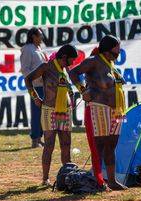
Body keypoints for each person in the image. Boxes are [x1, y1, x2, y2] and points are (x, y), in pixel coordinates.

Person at [69, 35, 127, 191]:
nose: (119, 50)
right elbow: (73, 72)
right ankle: (98, 180)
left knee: (111, 145)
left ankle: (112, 181)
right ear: (109, 48)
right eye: (117, 47)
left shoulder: (111, 65)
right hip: (99, 108)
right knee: (100, 145)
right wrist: (82, 90)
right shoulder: (94, 61)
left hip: (117, 111)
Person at [24, 44, 77, 186]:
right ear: (63, 57)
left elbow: (68, 87)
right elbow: (28, 79)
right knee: (49, 145)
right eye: (71, 60)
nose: (72, 63)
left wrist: (72, 96)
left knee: (66, 144)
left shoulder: (65, 69)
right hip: (49, 110)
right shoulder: (46, 67)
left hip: (65, 110)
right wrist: (35, 97)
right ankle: (45, 178)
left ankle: (67, 176)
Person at [20, 28, 48, 148]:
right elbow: (25, 69)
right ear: (33, 36)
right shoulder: (27, 49)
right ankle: (34, 139)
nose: (42, 38)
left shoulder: (39, 49)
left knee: (43, 113)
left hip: (44, 85)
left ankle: (40, 137)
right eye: (40, 35)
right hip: (34, 86)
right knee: (36, 112)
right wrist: (32, 82)